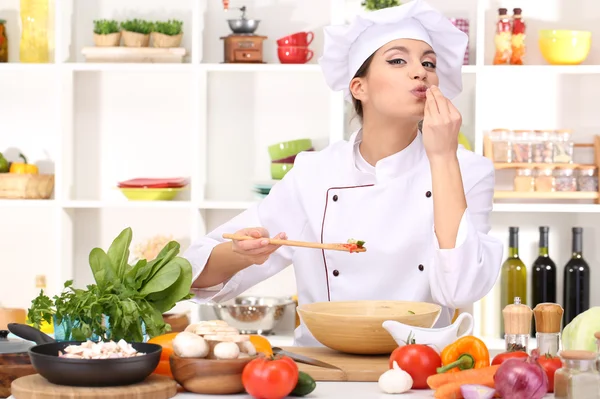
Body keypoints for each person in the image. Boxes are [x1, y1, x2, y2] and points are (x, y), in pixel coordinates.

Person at [184, 0, 503, 346]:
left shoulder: (468, 170)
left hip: (421, 366)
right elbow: (195, 275)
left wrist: (442, 157)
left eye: (429, 63)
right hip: (324, 365)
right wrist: (241, 254)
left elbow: (461, 289)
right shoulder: (315, 173)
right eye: (398, 60)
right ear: (358, 88)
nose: (420, 72)